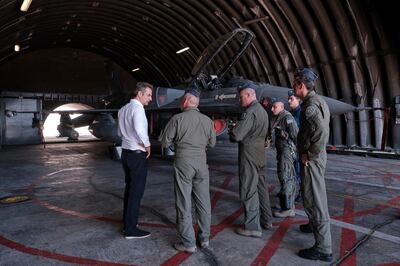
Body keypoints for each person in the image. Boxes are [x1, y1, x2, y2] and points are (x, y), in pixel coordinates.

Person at [158, 88, 216, 253]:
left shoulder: (177, 118)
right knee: (204, 202)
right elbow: (212, 144)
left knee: (184, 202)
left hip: (183, 161)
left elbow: (164, 141)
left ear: (185, 101)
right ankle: (204, 239)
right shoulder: (207, 120)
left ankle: (188, 242)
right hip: (202, 162)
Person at [293, 68, 333, 262]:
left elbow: (320, 134)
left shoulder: (310, 106)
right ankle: (313, 224)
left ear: (301, 85)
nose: (293, 87)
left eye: (295, 83)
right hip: (316, 157)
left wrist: (309, 154)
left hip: (312, 160)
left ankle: (323, 248)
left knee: (315, 199)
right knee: (312, 195)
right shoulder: (318, 101)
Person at [229, 81, 274, 238]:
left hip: (249, 155)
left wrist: (233, 128)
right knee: (262, 188)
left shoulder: (250, 112)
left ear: (249, 95)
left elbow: (236, 135)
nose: (240, 100)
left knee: (248, 189)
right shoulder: (262, 111)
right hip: (261, 155)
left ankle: (252, 226)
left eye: (241, 96)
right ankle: (267, 220)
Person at [118, 81, 153, 239]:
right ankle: (131, 230)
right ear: (139, 93)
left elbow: (119, 132)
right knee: (136, 192)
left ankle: (128, 224)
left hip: (125, 152)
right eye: (148, 95)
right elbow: (139, 129)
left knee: (129, 190)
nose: (150, 98)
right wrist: (147, 145)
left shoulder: (123, 109)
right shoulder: (138, 109)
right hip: (136, 154)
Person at [270, 97, 298, 218]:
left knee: (286, 177)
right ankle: (286, 204)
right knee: (284, 177)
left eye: (274, 107)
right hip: (281, 151)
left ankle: (288, 209)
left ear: (281, 107)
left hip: (287, 151)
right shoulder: (278, 117)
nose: (272, 109)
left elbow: (295, 136)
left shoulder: (287, 118)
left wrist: (283, 134)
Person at [288, 90, 302, 201]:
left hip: (299, 148)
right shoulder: (292, 113)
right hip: (292, 148)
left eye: (291, 98)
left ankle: (302, 195)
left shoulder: (301, 113)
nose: (289, 101)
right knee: (293, 171)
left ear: (299, 99)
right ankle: (288, 191)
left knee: (299, 172)